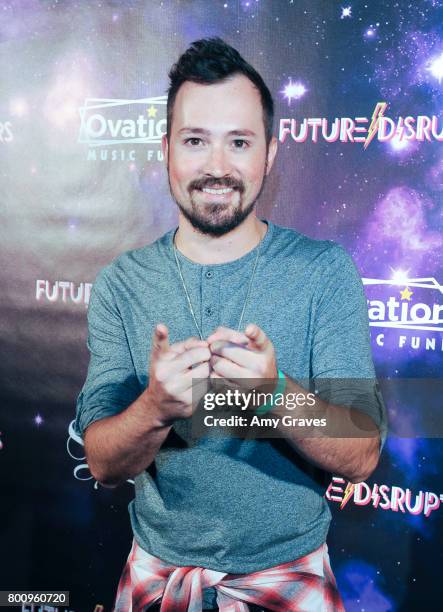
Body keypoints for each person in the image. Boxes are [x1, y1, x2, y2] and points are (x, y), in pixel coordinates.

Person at [75, 38, 387, 612]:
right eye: (196, 141)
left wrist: (273, 396)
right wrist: (154, 408)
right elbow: (102, 460)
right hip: (156, 580)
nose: (217, 167)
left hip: (290, 581)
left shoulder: (324, 272)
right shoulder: (121, 283)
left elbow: (363, 453)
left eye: (238, 142)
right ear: (167, 150)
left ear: (269, 152)